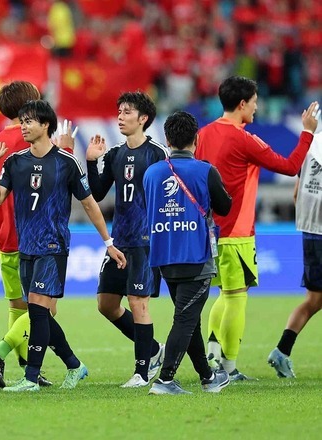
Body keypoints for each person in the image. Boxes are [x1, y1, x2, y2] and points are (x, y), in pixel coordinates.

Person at [0, 99, 126, 392]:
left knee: (37, 309)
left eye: (29, 121)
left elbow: (89, 204)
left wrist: (109, 242)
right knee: (43, 314)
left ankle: (30, 378)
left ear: (45, 125)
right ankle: (75, 366)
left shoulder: (66, 162)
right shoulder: (15, 162)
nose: (23, 126)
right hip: (26, 248)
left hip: (53, 246)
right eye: (21, 121)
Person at [195, 75, 319, 379]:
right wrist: (307, 133)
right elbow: (289, 167)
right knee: (237, 296)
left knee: (224, 293)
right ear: (241, 104)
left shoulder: (205, 134)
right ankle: (229, 366)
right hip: (237, 232)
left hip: (209, 230)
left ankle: (212, 353)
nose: (257, 107)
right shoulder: (245, 139)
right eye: (254, 101)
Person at [143, 110, 233, 395]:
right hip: (195, 255)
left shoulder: (152, 172)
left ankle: (208, 377)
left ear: (167, 139)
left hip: (164, 256)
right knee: (185, 318)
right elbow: (225, 207)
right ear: (196, 139)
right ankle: (165, 379)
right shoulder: (205, 170)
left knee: (187, 316)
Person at [85, 91, 167, 387]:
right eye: (119, 111)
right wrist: (92, 162)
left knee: (138, 302)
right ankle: (155, 349)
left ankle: (141, 373)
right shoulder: (116, 154)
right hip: (119, 242)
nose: (120, 116)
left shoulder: (157, 154)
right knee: (106, 303)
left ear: (143, 119)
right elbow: (96, 194)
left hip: (146, 242)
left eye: (127, 112)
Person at [0, 80, 49, 388]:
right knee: (43, 307)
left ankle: (25, 370)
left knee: (16, 306)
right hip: (35, 236)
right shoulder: (33, 139)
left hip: (6, 237)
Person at [268, 124, 322, 378]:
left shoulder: (312, 146)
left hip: (310, 230)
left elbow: (297, 193)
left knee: (314, 300)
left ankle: (281, 351)